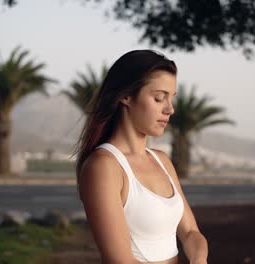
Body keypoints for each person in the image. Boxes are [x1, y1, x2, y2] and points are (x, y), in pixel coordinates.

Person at [74, 50, 208, 264]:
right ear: (126, 96)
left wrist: (199, 259)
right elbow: (120, 260)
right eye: (159, 98)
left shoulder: (162, 161)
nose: (170, 109)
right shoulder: (104, 167)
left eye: (171, 98)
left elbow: (191, 232)